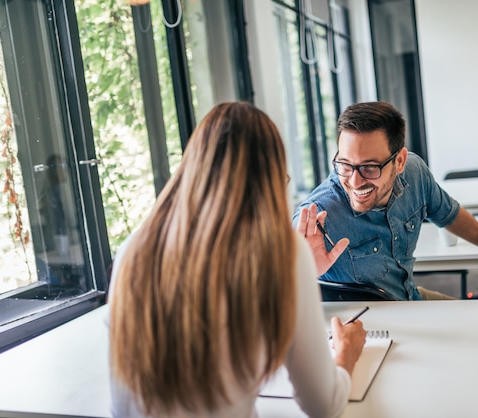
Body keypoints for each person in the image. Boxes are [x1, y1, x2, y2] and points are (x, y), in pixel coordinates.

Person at [108, 102, 366, 417]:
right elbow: (323, 405)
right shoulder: (281, 250)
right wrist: (346, 353)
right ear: (270, 180)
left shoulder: (133, 250)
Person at [293, 101, 478, 403]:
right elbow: (267, 291)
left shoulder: (415, 174)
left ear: (400, 160)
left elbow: (448, 213)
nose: (354, 180)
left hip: (408, 300)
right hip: (365, 330)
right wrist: (301, 272)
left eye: (370, 167)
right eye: (345, 164)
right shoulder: (318, 214)